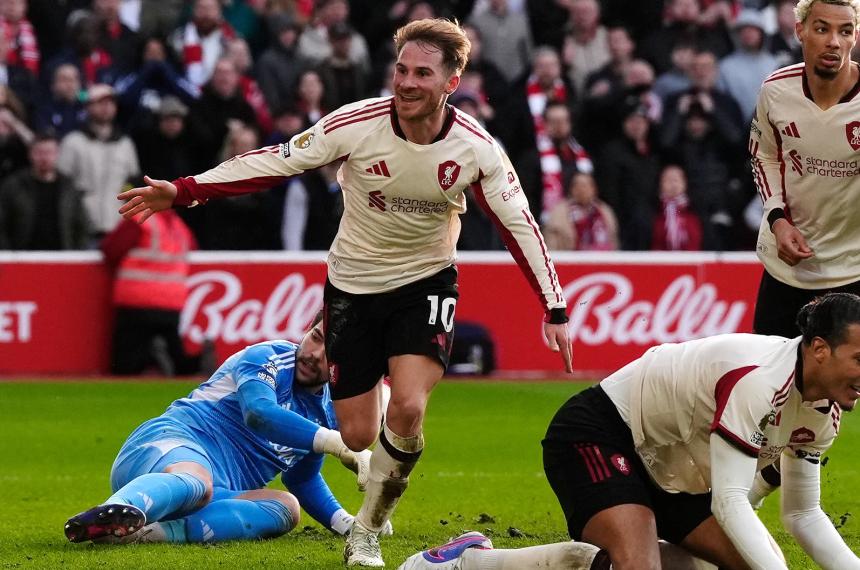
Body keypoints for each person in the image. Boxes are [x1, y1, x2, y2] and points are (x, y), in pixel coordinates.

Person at [115, 17, 572, 567]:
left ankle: (368, 533)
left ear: (451, 82)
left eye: (422, 73)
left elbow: (517, 225)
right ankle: (372, 454)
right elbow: (276, 161)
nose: (406, 82)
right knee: (357, 436)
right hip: (351, 289)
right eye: (401, 69)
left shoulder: (476, 149)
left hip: (426, 282)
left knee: (407, 407)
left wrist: (554, 304)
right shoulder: (356, 123)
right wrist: (186, 191)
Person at [399, 292, 860, 570]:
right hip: (602, 430)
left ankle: (485, 560)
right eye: (858, 358)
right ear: (820, 349)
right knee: (638, 564)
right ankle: (466, 562)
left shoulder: (824, 410)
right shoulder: (760, 378)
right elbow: (731, 499)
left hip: (672, 469)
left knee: (740, 561)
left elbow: (802, 514)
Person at [64, 312, 378, 545]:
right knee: (199, 483)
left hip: (215, 492)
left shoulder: (325, 412)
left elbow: (302, 477)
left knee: (285, 509)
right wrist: (337, 444)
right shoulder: (268, 357)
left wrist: (346, 523)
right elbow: (260, 413)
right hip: (167, 447)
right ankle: (116, 510)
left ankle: (142, 534)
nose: (313, 354)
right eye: (316, 337)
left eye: (331, 354)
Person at [750, 0, 860, 339]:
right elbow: (763, 156)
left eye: (845, 31)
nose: (833, 42)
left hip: (852, 267)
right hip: (787, 268)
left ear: (855, 37)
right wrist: (777, 220)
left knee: (841, 387)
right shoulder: (776, 90)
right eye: (822, 28)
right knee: (770, 381)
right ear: (800, 31)